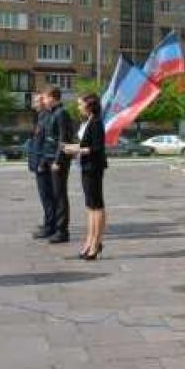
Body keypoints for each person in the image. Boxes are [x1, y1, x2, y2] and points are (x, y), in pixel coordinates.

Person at [62, 92, 108, 260]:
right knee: (90, 206)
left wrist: (75, 150)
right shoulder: (88, 122)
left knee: (96, 206)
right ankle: (89, 241)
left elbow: (96, 148)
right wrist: (70, 146)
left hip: (94, 167)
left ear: (89, 105)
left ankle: (96, 243)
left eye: (81, 104)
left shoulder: (96, 123)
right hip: (86, 166)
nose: (78, 107)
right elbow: (84, 145)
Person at [40, 86, 74, 244]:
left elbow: (64, 139)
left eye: (45, 97)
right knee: (52, 195)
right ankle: (53, 227)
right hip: (48, 158)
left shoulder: (62, 114)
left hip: (57, 160)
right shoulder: (51, 113)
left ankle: (62, 231)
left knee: (60, 195)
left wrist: (58, 160)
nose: (44, 100)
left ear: (53, 97)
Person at [29, 92, 56, 240]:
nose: (34, 102)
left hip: (43, 165)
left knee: (47, 196)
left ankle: (50, 226)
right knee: (45, 196)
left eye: (37, 100)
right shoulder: (41, 117)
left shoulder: (46, 117)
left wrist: (42, 162)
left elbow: (47, 142)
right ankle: (49, 223)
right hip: (39, 163)